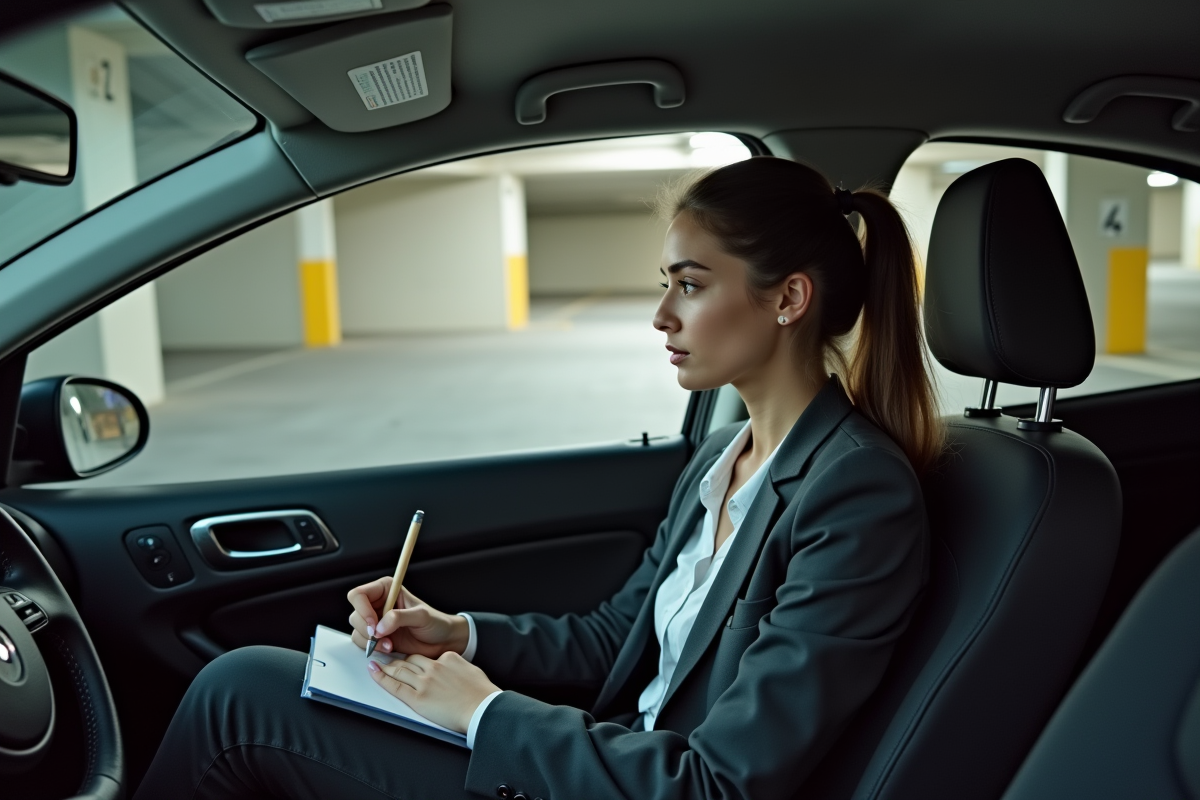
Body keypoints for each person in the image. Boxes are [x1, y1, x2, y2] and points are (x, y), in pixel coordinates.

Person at [133, 156, 942, 800]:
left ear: (788, 299)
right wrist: (457, 635)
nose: (661, 315)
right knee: (250, 683)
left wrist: (481, 709)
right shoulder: (719, 460)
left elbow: (719, 781)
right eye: (665, 284)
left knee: (240, 699)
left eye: (690, 285)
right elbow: (616, 641)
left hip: (632, 781)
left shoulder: (856, 493)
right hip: (599, 760)